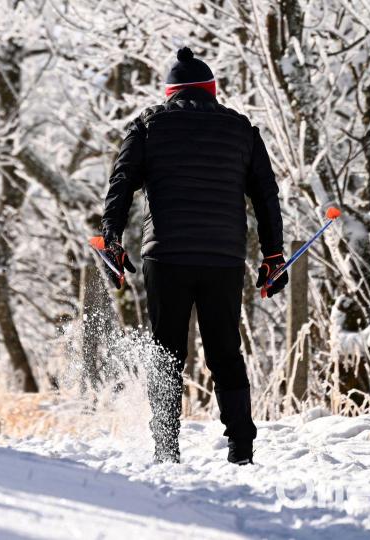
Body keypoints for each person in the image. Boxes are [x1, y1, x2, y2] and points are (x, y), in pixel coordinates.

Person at [99, 47, 286, 465]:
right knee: (225, 351)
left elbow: (121, 183)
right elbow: (266, 195)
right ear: (211, 91)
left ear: (171, 92)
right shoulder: (242, 130)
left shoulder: (147, 126)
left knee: (166, 350)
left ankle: (167, 447)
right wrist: (273, 255)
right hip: (223, 257)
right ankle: (241, 447)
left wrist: (111, 238)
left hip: (166, 256)